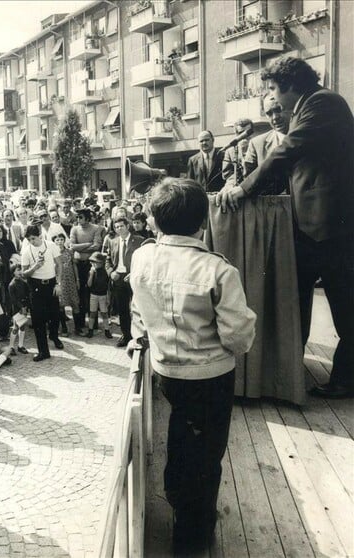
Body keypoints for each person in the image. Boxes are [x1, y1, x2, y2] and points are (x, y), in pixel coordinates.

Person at [216, 55, 354, 399]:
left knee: (346, 307)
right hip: (314, 225)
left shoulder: (323, 103)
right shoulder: (312, 105)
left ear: (292, 84)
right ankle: (291, 370)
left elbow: (285, 154)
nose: (274, 99)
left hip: (330, 227)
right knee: (299, 300)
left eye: (275, 89)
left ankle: (347, 381)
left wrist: (243, 188)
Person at [131, 178, 256, 554]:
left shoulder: (141, 257)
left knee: (183, 435)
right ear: (204, 221)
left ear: (153, 220)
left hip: (167, 371)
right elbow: (238, 337)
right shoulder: (218, 270)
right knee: (206, 455)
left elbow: (139, 312)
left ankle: (177, 498)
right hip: (210, 377)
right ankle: (192, 534)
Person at [20, 224, 64, 362]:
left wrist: (58, 283)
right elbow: (23, 274)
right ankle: (43, 351)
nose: (32, 241)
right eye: (29, 239)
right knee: (38, 320)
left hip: (51, 284)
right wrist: (35, 267)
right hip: (36, 286)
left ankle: (54, 337)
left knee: (55, 315)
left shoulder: (51, 245)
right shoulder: (26, 251)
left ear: (39, 235)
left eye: (33, 238)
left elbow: (59, 265)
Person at [105, 217, 144, 347]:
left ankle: (140, 336)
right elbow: (108, 260)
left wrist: (133, 273)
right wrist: (111, 272)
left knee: (139, 307)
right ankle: (126, 335)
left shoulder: (139, 240)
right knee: (122, 310)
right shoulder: (113, 241)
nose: (119, 229)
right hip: (118, 278)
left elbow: (144, 262)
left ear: (127, 226)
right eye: (116, 227)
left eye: (121, 226)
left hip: (133, 276)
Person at [243, 93, 291, 194]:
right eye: (269, 113)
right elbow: (249, 182)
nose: (275, 117)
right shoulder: (257, 144)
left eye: (278, 110)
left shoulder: (308, 138)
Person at [69, 208, 103, 335]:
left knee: (91, 294)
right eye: (77, 217)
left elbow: (97, 246)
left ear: (88, 218)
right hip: (78, 266)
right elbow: (72, 246)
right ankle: (79, 323)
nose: (78, 220)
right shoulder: (74, 229)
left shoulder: (96, 228)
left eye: (81, 217)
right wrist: (88, 245)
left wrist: (80, 248)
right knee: (79, 294)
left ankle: (92, 323)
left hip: (91, 265)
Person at [52, 233, 79, 336]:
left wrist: (77, 279)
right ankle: (64, 328)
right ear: (54, 242)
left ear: (64, 240)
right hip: (60, 281)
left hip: (71, 280)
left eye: (61, 239)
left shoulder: (69, 252)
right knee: (61, 305)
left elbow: (75, 266)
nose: (59, 242)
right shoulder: (52, 253)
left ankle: (77, 328)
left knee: (75, 303)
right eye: (57, 240)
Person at [86, 252, 111, 339]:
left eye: (97, 262)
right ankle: (90, 330)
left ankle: (107, 330)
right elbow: (89, 285)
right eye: (93, 262)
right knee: (92, 313)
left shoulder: (105, 272)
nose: (95, 264)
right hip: (94, 295)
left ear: (101, 263)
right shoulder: (92, 272)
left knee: (104, 313)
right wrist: (91, 274)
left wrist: (108, 297)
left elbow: (108, 286)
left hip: (103, 295)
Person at [222, 118, 253, 189]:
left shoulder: (259, 146)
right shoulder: (230, 151)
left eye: (247, 132)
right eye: (241, 133)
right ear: (236, 134)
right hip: (236, 188)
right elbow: (227, 174)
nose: (245, 136)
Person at [8, 263, 29, 355]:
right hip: (17, 308)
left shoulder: (23, 282)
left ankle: (20, 346)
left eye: (20, 270)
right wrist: (21, 307)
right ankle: (11, 347)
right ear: (13, 272)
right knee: (16, 327)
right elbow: (13, 300)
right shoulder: (12, 285)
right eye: (18, 270)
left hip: (24, 307)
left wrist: (26, 306)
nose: (20, 272)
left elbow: (27, 294)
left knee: (23, 326)